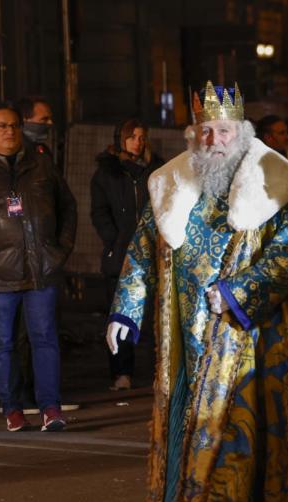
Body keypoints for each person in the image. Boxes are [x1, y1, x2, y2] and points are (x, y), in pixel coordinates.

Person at [105, 82, 288, 502]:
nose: (214, 140)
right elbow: (142, 250)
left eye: (223, 131)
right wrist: (126, 308)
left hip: (248, 331)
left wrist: (239, 293)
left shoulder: (274, 179)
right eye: (206, 131)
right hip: (187, 334)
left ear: (241, 133)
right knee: (195, 423)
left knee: (241, 425)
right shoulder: (173, 182)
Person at [0, 101, 76, 432]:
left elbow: (68, 205)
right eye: (2, 126)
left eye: (13, 125)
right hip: (0, 275)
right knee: (5, 342)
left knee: (45, 338)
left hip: (42, 270)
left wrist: (61, 249)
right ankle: (12, 409)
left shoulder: (41, 165)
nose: (9, 131)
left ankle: (50, 409)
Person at [90, 119, 163, 391]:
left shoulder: (156, 169)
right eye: (132, 137)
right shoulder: (107, 174)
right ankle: (122, 372)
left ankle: (160, 369)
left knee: (156, 316)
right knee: (121, 314)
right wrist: (115, 240)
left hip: (154, 252)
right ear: (120, 139)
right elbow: (99, 212)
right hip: (120, 255)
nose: (138, 142)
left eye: (142, 136)